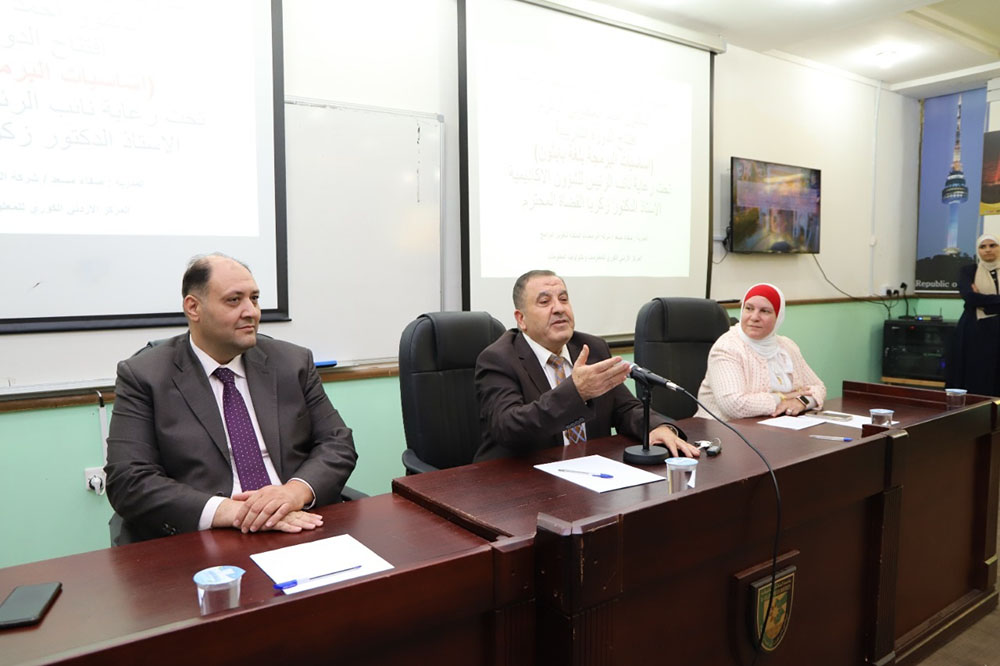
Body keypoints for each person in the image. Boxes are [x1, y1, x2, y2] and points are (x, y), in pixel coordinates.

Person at [105, 254, 358, 544]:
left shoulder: (292, 362)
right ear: (193, 307)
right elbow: (128, 479)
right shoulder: (144, 376)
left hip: (299, 520)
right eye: (234, 300)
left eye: (255, 298)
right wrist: (235, 512)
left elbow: (337, 442)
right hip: (209, 536)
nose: (252, 312)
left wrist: (294, 492)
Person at [474, 269, 699, 461]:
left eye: (564, 299)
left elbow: (626, 408)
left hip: (588, 474)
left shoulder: (591, 348)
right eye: (544, 302)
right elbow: (509, 427)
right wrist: (576, 392)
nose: (559, 308)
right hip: (519, 480)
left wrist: (658, 427)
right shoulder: (498, 358)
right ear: (521, 319)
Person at [695, 283, 825, 421]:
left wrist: (801, 401)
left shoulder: (787, 346)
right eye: (749, 308)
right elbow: (733, 405)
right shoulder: (727, 347)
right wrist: (784, 397)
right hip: (722, 429)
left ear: (778, 317)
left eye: (765, 311)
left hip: (774, 425)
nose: (754, 317)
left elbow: (819, 388)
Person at [946, 233, 1000, 396]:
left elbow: (976, 299)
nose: (988, 250)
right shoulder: (969, 271)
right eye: (983, 247)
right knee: (977, 373)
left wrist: (982, 300)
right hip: (975, 330)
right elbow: (969, 297)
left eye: (992, 245)